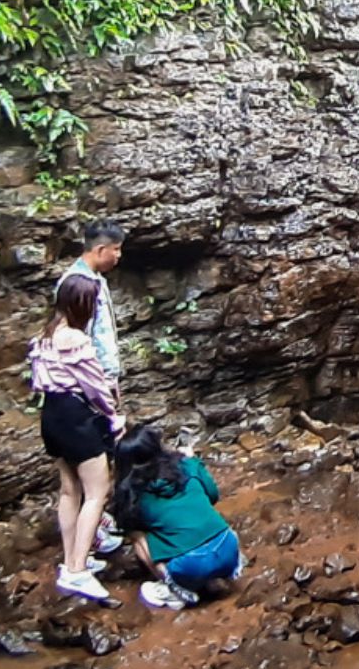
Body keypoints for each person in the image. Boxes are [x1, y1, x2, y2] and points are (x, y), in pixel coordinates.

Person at [30, 274, 125, 602]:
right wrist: (114, 419)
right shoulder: (77, 340)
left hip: (51, 415)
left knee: (69, 491)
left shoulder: (44, 336)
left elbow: (38, 381)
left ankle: (71, 561)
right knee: (97, 492)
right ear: (82, 305)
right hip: (76, 417)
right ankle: (77, 571)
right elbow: (95, 386)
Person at [111, 425, 241, 610]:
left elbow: (127, 526)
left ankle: (174, 588)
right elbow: (212, 495)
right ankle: (210, 576)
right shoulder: (187, 464)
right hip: (229, 547)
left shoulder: (132, 494)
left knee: (138, 535)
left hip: (189, 565)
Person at [58, 219, 127, 554]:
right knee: (92, 472)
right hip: (86, 392)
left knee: (76, 481)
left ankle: (93, 531)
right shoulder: (78, 285)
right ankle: (86, 549)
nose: (118, 255)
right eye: (115, 250)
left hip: (86, 389)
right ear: (100, 250)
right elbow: (81, 346)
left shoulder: (92, 278)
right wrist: (104, 392)